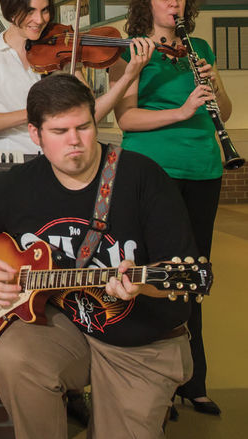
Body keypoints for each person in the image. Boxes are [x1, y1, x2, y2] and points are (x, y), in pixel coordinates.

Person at [0, 74, 197, 439]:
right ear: (35, 134)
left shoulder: (144, 178)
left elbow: (177, 278)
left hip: (144, 341)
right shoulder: (19, 183)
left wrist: (142, 287)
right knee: (15, 358)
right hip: (69, 326)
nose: (75, 142)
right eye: (59, 131)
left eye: (83, 127)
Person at [108, 0, 230, 417]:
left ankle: (193, 379)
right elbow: (125, 119)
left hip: (204, 168)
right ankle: (157, 381)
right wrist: (181, 111)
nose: (172, 1)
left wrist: (217, 86)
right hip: (152, 171)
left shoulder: (199, 48)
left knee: (194, 273)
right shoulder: (129, 50)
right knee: (154, 272)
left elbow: (224, 112)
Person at [0, 0, 153, 153]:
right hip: (10, 159)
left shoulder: (62, 52)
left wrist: (128, 77)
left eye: (45, 10)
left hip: (61, 161)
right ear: (11, 11)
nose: (39, 19)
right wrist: (42, 113)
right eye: (30, 11)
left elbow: (91, 114)